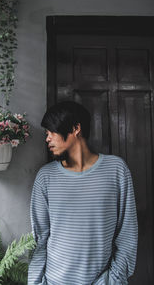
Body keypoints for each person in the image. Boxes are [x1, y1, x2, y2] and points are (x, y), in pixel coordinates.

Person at [28, 101, 138, 285]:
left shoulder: (116, 170)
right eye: (46, 134)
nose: (47, 139)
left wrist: (113, 281)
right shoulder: (45, 177)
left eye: (52, 132)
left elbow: (127, 235)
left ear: (75, 128)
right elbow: (39, 241)